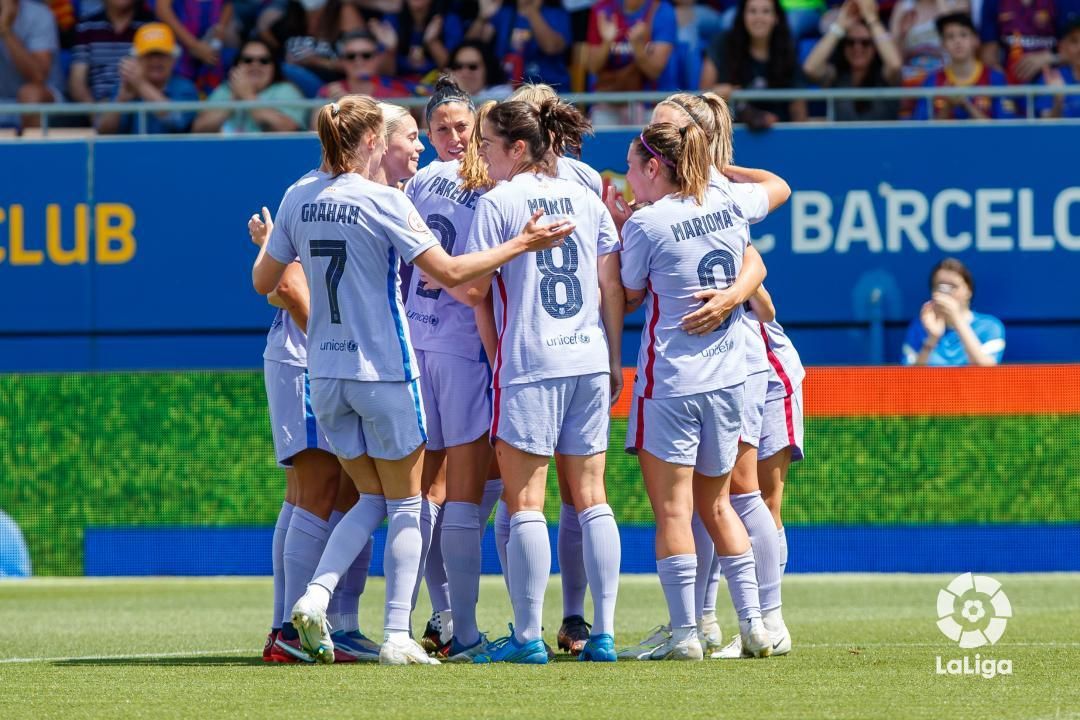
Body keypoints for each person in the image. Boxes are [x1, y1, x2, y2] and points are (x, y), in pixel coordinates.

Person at [256, 94, 573, 665]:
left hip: (324, 373)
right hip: (384, 371)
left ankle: (312, 601)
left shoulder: (297, 194)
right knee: (404, 504)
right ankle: (398, 634)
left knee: (367, 499)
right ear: (374, 140)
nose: (425, 145)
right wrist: (522, 243)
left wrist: (273, 243)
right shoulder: (384, 201)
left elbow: (264, 280)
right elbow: (453, 274)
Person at [615, 121, 789, 660]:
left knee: (672, 512)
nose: (626, 179)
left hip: (670, 381)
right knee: (720, 506)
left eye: (630, 167)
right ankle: (757, 625)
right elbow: (775, 193)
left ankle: (687, 633)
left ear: (652, 168)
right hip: (730, 380)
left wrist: (623, 226)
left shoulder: (647, 223)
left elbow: (629, 295)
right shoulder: (726, 202)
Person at [460, 98, 625, 664]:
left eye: (487, 143)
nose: (481, 152)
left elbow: (473, 290)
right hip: (588, 358)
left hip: (531, 362)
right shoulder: (586, 196)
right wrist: (614, 358)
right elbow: (611, 285)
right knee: (592, 498)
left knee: (525, 501)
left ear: (518, 147)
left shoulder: (498, 202)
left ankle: (528, 637)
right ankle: (603, 634)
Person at [400, 84, 506, 662]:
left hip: (420, 344)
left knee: (428, 489)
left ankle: (430, 615)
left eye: (462, 126)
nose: (455, 137)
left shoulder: (415, 185)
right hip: (463, 346)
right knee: (459, 490)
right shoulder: (490, 185)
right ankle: (458, 627)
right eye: (441, 128)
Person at [247, 189, 374, 665]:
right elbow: (289, 289)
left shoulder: (315, 198)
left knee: (323, 495)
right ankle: (289, 632)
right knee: (316, 494)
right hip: (308, 364)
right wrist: (329, 350)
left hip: (306, 362)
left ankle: (319, 629)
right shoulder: (325, 198)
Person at [703, 0, 807, 130]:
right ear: (743, 16)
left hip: (777, 136)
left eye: (766, 11)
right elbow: (702, 96)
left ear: (776, 18)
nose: (759, 17)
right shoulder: (722, 43)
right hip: (730, 134)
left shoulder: (787, 48)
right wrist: (716, 94)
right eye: (752, 11)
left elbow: (799, 110)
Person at [802, 0, 903, 121]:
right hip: (842, 140)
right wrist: (840, 25)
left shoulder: (886, 76)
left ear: (875, 47)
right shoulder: (835, 76)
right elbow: (810, 68)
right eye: (850, 42)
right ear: (843, 46)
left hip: (883, 139)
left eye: (865, 43)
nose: (857, 48)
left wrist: (872, 20)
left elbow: (895, 65)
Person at [585, 0, 679, 124]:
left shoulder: (662, 10)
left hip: (650, 104)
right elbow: (593, 67)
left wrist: (637, 46)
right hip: (609, 100)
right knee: (600, 123)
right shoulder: (602, 9)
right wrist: (607, 42)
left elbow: (654, 71)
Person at [96, 23, 200, 134]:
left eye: (161, 55)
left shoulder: (185, 88)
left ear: (173, 59)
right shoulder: (126, 86)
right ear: (136, 59)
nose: (155, 61)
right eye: (149, 55)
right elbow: (104, 132)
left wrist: (141, 85)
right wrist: (120, 100)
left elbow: (178, 121)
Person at [912, 13, 1017, 120]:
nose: (957, 41)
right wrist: (948, 107)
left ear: (976, 40)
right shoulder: (932, 81)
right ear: (942, 44)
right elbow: (922, 131)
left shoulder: (995, 78)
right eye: (950, 37)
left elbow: (1004, 130)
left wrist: (966, 105)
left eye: (963, 35)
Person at [902, 257, 1005, 366]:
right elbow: (911, 379)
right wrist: (932, 339)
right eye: (940, 286)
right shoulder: (919, 327)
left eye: (953, 286)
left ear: (968, 291)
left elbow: (987, 371)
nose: (946, 293)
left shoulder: (990, 326)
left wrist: (957, 320)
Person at [193, 38, 307, 133]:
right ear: (236, 66)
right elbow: (199, 129)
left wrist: (248, 96)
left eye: (264, 60)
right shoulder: (224, 90)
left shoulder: (285, 90)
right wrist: (234, 99)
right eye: (248, 60)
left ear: (274, 67)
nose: (255, 65)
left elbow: (287, 129)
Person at [462, 0, 572, 90]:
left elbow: (551, 47)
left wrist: (531, 11)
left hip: (547, 89)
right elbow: (469, 49)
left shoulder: (557, 13)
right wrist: (482, 18)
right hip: (506, 90)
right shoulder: (504, 13)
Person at [68, 0, 154, 104]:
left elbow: (156, 77)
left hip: (140, 109)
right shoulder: (86, 26)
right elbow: (77, 83)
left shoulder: (150, 26)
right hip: (97, 106)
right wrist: (96, 114)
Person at [0, 0, 63, 128]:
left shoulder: (40, 15)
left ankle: (29, 148)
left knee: (30, 94)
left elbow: (38, 76)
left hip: (45, 98)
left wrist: (5, 30)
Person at [154, 0, 235, 92]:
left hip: (210, 46)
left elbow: (228, 4)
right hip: (180, 50)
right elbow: (162, 10)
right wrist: (194, 45)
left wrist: (217, 38)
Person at [889, 0, 969, 85]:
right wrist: (902, 36)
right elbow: (893, 58)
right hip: (912, 81)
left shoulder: (957, 3)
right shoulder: (903, 7)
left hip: (947, 81)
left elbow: (958, 35)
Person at [317, 29, 412, 100]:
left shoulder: (397, 91)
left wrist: (347, 104)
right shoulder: (329, 91)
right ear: (342, 61)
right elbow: (316, 125)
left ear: (378, 58)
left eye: (366, 55)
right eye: (351, 56)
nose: (359, 61)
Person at [980, 0, 1059, 83]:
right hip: (1009, 79)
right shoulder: (993, 2)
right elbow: (988, 54)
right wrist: (1003, 81)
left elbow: (1071, 47)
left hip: (1053, 78)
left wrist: (1050, 57)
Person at [1036, 18, 1080, 117]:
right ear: (1063, 46)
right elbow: (1045, 125)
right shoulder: (1051, 77)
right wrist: (1058, 101)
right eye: (1074, 41)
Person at [448, 39, 513, 101]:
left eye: (472, 67)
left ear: (488, 69)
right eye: (458, 67)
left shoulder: (503, 94)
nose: (465, 72)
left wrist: (462, 93)